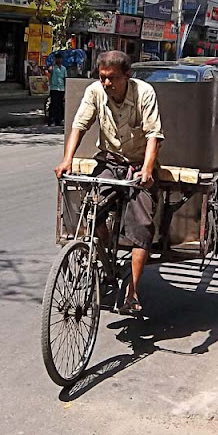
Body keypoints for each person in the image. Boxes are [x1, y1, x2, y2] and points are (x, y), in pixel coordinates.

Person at [54, 51, 163, 314]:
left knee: (142, 224)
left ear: (127, 76)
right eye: (102, 77)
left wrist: (147, 169)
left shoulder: (144, 93)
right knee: (92, 210)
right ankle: (106, 256)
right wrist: (66, 159)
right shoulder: (95, 92)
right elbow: (79, 126)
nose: (106, 84)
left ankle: (133, 292)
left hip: (138, 165)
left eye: (112, 78)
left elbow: (154, 135)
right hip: (110, 161)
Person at [48, 54, 67, 126]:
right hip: (54, 88)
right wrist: (53, 63)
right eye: (57, 59)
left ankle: (58, 120)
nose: (59, 60)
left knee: (60, 105)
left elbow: (65, 79)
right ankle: (51, 120)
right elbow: (49, 71)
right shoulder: (53, 68)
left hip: (61, 89)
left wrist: (66, 89)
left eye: (60, 58)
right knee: (53, 104)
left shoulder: (64, 69)